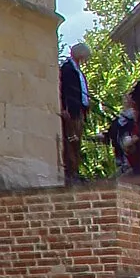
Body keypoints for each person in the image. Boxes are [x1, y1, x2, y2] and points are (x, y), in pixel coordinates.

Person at [58, 39, 92, 182]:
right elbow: (64, 89)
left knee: (77, 141)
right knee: (71, 139)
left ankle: (75, 170)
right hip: (71, 110)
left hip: (79, 110)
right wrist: (64, 108)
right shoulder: (67, 69)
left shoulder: (78, 70)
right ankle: (70, 172)